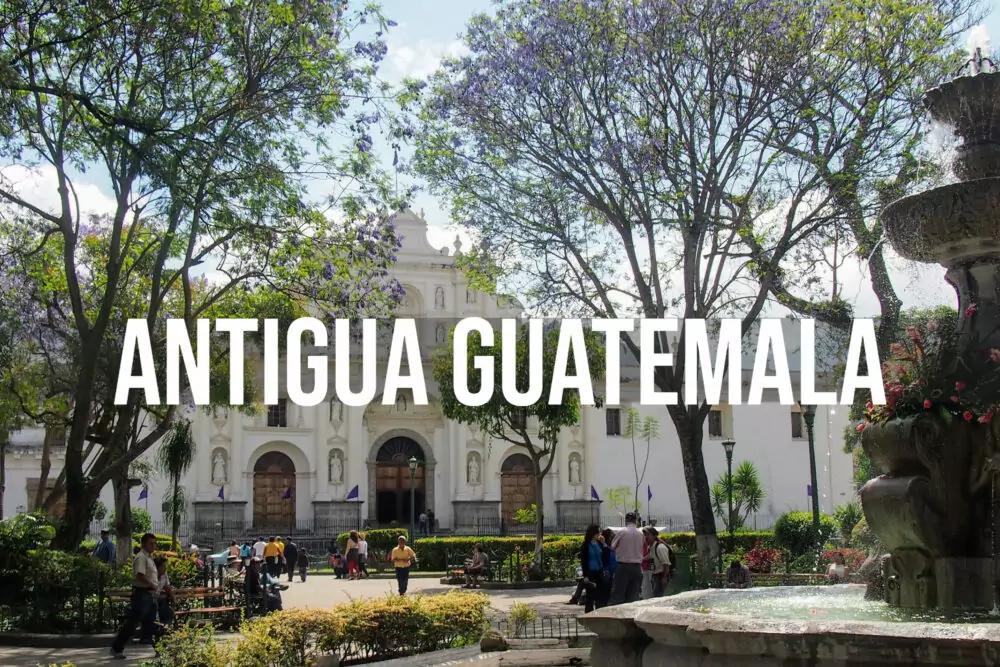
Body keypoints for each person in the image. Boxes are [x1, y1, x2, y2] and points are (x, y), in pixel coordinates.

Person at [110, 533, 159, 659]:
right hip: (142, 594)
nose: (153, 545)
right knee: (133, 623)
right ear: (143, 544)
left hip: (149, 595)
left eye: (154, 543)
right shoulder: (141, 557)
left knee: (152, 623)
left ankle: (159, 648)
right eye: (150, 543)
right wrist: (152, 585)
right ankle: (117, 647)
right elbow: (140, 575)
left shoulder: (149, 557)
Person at [609, 513, 644, 605]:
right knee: (633, 596)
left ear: (626, 520)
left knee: (618, 594)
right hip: (637, 567)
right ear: (635, 521)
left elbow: (612, 547)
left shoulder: (622, 532)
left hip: (623, 566)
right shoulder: (641, 533)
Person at [580, 525, 609, 613]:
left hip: (600, 572)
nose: (599, 534)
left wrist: (604, 544)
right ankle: (589, 614)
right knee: (590, 596)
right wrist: (585, 575)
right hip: (590, 573)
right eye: (597, 532)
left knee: (600, 596)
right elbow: (583, 561)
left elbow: (606, 556)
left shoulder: (599, 543)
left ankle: (599, 614)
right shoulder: (586, 545)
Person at [644, 528, 671, 597]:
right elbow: (649, 557)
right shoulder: (650, 547)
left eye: (648, 535)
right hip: (655, 575)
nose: (645, 537)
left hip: (661, 575)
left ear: (654, 536)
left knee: (659, 597)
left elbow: (666, 564)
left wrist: (664, 577)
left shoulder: (660, 548)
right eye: (644, 535)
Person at [153, 556, 175, 626]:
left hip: (158, 599)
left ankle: (165, 627)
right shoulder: (151, 575)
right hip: (149, 600)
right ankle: (157, 625)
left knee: (168, 609)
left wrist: (173, 598)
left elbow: (167, 587)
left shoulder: (164, 575)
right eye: (163, 566)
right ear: (157, 567)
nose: (165, 568)